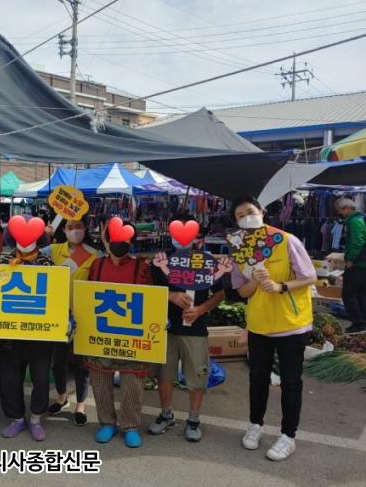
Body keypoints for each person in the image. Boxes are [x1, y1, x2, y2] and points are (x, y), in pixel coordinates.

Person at [230, 195, 317, 461]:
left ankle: (288, 436)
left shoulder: (287, 240)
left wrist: (281, 286)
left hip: (291, 325)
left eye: (250, 211)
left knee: (291, 382)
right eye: (240, 216)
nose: (247, 218)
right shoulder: (240, 248)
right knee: (258, 380)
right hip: (259, 325)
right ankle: (255, 424)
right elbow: (242, 291)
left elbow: (310, 276)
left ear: (262, 211)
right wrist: (256, 281)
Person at [148, 213, 227, 442]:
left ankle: (193, 419)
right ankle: (166, 414)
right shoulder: (160, 261)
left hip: (196, 329)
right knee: (164, 374)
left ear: (196, 234)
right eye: (177, 231)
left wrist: (200, 309)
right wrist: (170, 295)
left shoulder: (207, 262)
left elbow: (220, 294)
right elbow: (147, 291)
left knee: (197, 376)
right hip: (165, 328)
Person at [85, 221, 152, 448]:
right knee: (99, 377)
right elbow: (88, 294)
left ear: (131, 241)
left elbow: (151, 297)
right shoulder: (97, 265)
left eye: (124, 239)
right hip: (101, 330)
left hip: (131, 333)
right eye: (113, 238)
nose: (118, 243)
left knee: (133, 379)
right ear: (106, 239)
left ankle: (130, 425)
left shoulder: (141, 267)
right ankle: (106, 422)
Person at [0, 228, 55, 441]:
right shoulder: (5, 261)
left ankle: (36, 418)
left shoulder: (47, 263)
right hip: (10, 332)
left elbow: (55, 294)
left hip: (39, 332)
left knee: (40, 377)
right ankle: (16, 418)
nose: (24, 240)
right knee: (10, 377)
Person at [41, 217, 98, 426]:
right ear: (63, 230)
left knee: (82, 363)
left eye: (79, 226)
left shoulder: (94, 254)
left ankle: (81, 405)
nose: (75, 231)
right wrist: (44, 235)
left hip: (84, 316)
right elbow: (28, 254)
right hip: (58, 315)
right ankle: (61, 397)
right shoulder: (53, 250)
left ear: (85, 228)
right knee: (58, 361)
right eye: (70, 227)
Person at [334, 197, 366, 334]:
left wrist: (351, 259)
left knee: (348, 294)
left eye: (339, 210)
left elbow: (358, 242)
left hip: (358, 264)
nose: (339, 213)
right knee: (360, 294)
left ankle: (358, 323)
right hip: (362, 264)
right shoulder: (358, 219)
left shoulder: (354, 221)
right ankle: (362, 322)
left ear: (347, 208)